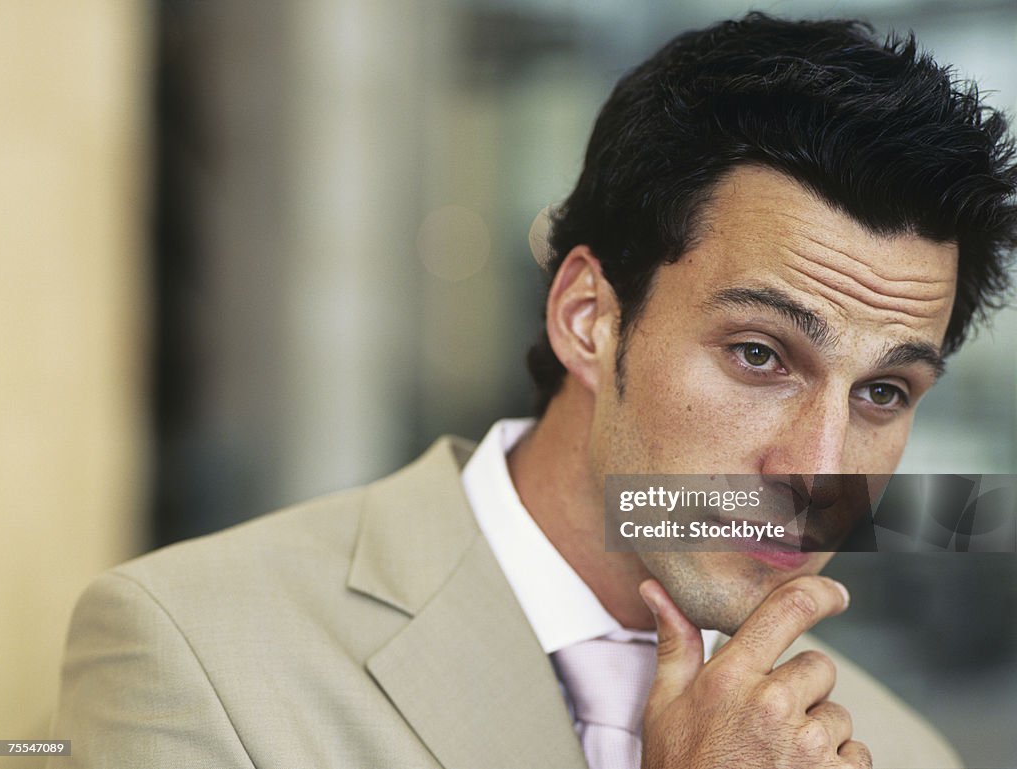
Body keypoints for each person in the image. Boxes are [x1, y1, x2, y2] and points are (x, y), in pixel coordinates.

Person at [50, 13, 1016, 769]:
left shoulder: (902, 750)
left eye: (885, 391)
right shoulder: (195, 651)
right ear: (589, 316)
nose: (816, 469)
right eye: (760, 355)